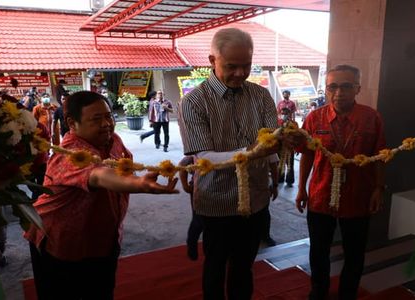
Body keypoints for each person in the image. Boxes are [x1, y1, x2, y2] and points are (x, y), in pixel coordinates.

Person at [24, 91, 178, 300]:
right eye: (96, 119)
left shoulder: (113, 140)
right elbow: (99, 175)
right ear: (72, 122)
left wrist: (134, 179)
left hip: (103, 238)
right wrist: (138, 184)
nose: (106, 124)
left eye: (108, 116)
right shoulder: (68, 154)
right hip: (60, 242)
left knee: (102, 291)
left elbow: (121, 167)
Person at [178, 27, 281, 299]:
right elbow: (204, 157)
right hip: (216, 202)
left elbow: (271, 142)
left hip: (256, 197)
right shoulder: (193, 102)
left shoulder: (261, 96)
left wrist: (274, 169)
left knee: (244, 267)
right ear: (212, 61)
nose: (240, 73)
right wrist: (251, 153)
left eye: (246, 65)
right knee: (215, 266)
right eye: (231, 66)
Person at [296, 64, 386, 300]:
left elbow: (380, 156)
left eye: (346, 86)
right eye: (332, 86)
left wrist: (378, 188)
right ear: (326, 89)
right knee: (318, 251)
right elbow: (306, 154)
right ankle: (318, 290)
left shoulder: (371, 118)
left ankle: (348, 293)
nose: (338, 92)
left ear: (357, 88)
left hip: (359, 194)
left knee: (355, 253)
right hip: (320, 194)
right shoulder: (315, 118)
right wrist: (301, 189)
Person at [178, 155, 204, 261]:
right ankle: (191, 244)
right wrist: (185, 185)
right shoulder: (199, 150)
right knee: (198, 221)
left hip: (222, 192)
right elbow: (183, 164)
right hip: (199, 190)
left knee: (213, 226)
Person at [277, 107, 298, 188]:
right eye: (282, 113)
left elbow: (297, 135)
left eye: (286, 113)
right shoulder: (278, 122)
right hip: (280, 148)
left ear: (289, 114)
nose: (284, 115)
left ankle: (289, 180)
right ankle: (280, 178)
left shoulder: (294, 123)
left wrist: (296, 147)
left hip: (290, 148)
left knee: (290, 164)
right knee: (280, 164)